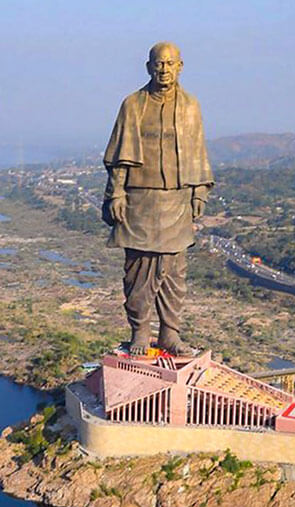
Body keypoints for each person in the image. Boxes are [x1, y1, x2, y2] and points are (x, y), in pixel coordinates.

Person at [102, 41, 213, 356]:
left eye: (170, 63)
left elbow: (197, 150)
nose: (164, 70)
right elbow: (120, 156)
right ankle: (140, 331)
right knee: (138, 269)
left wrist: (198, 191)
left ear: (180, 65)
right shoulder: (132, 105)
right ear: (149, 67)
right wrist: (117, 193)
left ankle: (169, 333)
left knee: (173, 271)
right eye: (158, 64)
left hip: (177, 198)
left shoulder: (191, 106)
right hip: (140, 197)